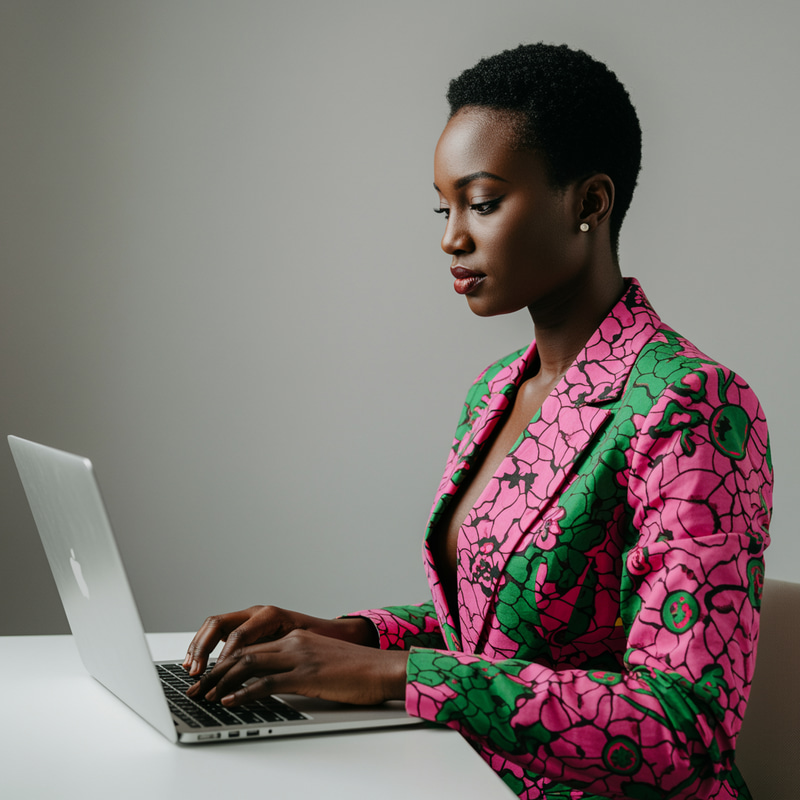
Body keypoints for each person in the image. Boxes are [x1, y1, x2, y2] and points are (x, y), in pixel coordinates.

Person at [182, 43, 772, 800]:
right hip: (465, 777)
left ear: (589, 202)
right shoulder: (497, 391)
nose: (451, 237)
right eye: (444, 205)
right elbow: (504, 630)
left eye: (483, 202)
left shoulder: (692, 403)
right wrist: (350, 637)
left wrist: (398, 675)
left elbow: (683, 727)